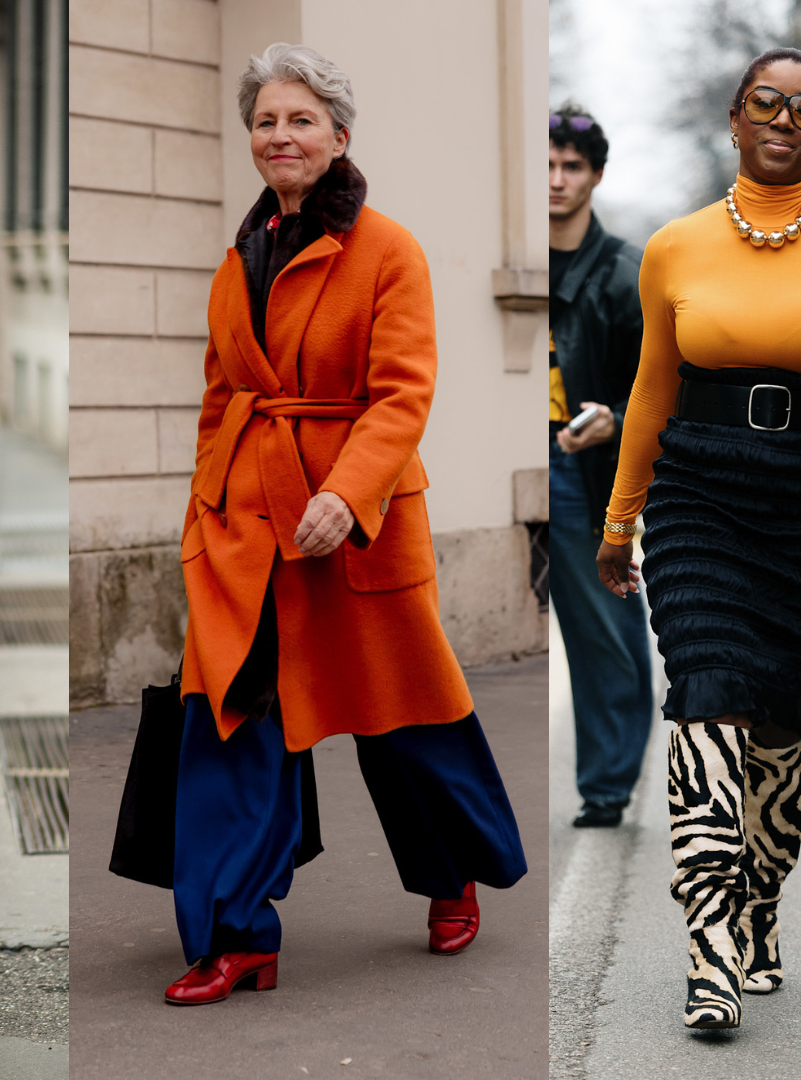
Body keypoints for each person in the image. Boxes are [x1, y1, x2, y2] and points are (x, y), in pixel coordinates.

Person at [162, 42, 527, 1007]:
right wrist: (204, 509)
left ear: (339, 135)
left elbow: (404, 395)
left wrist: (347, 494)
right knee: (233, 720)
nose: (280, 135)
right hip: (244, 529)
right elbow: (219, 395)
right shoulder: (234, 258)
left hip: (352, 526)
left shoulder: (388, 248)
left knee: (400, 719)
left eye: (300, 119)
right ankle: (237, 934)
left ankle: (450, 874)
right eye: (266, 121)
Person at [596, 48, 801, 1030]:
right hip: (698, 489)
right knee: (705, 692)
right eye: (767, 105)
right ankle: (711, 953)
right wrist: (621, 520)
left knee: (782, 713)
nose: (785, 121)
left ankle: (761, 897)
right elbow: (653, 389)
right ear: (735, 120)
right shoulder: (675, 248)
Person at [548, 104, 653, 829]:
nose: (555, 180)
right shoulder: (512, 254)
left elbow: (659, 385)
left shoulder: (623, 274)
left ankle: (608, 786)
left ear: (596, 176)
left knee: (605, 625)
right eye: (546, 166)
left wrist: (613, 416)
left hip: (578, 467)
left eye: (571, 167)